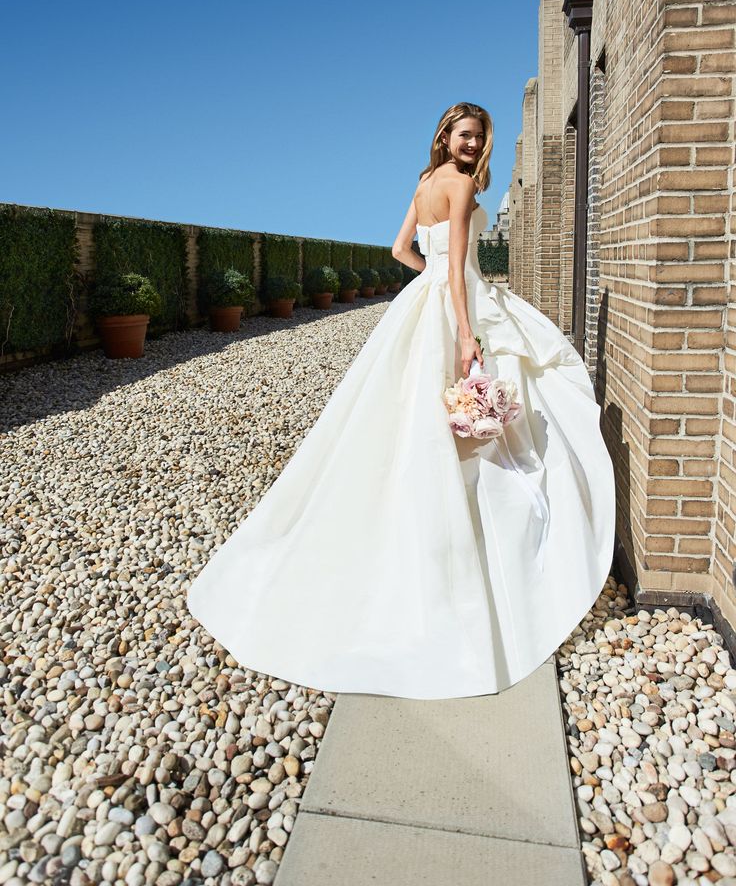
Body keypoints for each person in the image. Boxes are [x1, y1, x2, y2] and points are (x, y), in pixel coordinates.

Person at [186, 101, 616, 700]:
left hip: (420, 305)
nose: (471, 145)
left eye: (478, 137)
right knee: (485, 416)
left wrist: (430, 274)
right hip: (459, 304)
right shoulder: (462, 187)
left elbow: (399, 251)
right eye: (465, 135)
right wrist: (466, 332)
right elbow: (460, 264)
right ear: (447, 136)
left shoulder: (423, 183)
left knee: (411, 418)